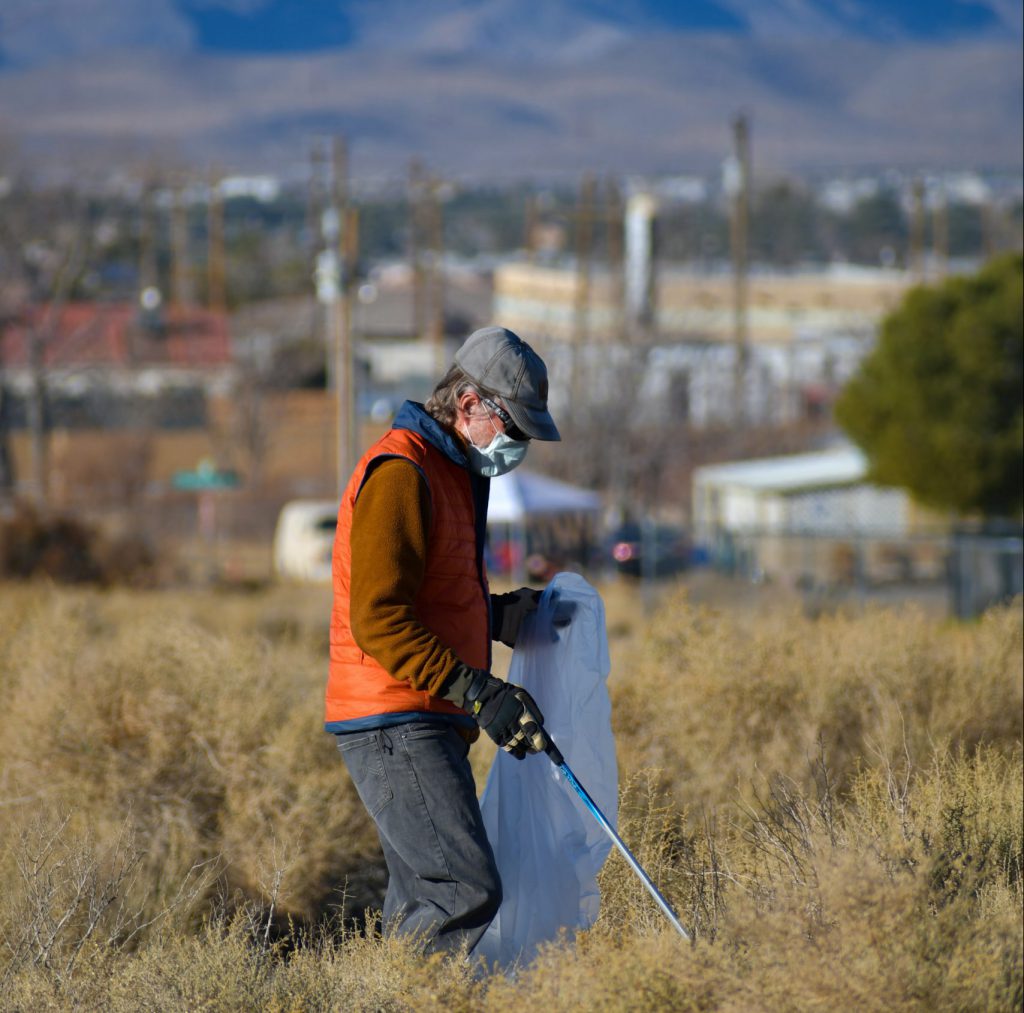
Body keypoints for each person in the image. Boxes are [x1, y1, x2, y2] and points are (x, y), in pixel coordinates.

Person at [326, 325, 561, 956]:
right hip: (395, 718)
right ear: (467, 405)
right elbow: (377, 617)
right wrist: (479, 692)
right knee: (463, 891)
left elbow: (437, 599)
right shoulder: (402, 471)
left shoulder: (454, 473)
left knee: (423, 902)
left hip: (423, 715)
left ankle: (390, 998)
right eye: (513, 429)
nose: (519, 447)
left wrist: (512, 619)